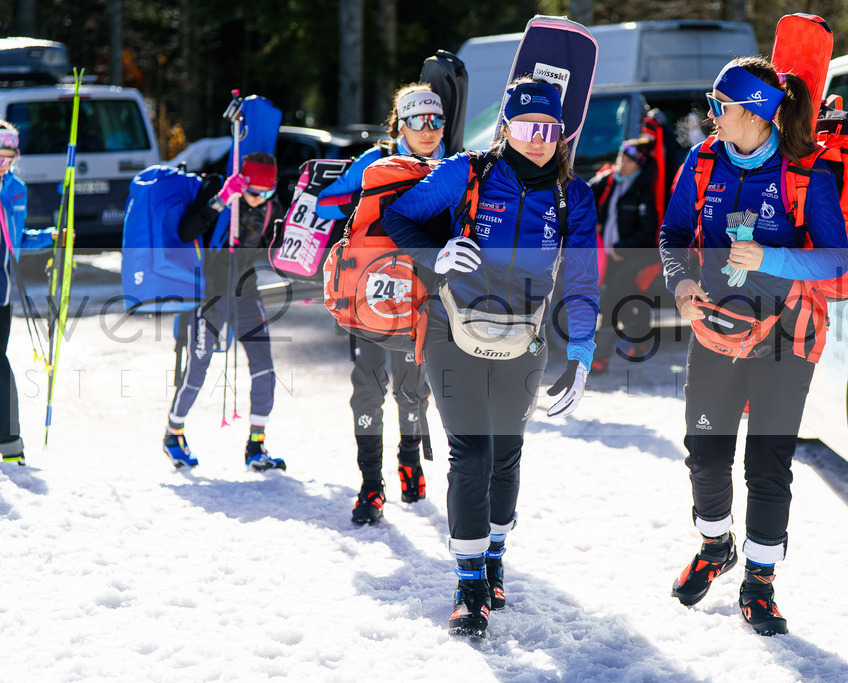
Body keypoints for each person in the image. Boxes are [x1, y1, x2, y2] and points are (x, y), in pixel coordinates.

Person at [382, 79, 599, 638]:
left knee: (506, 455)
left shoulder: (572, 194)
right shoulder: (467, 172)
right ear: (505, 128)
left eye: (549, 129)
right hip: (450, 328)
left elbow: (579, 277)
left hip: (523, 338)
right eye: (527, 128)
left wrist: (580, 352)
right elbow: (398, 217)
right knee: (470, 453)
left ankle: (494, 553)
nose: (538, 140)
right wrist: (437, 254)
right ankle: (469, 582)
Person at [659, 56, 848, 636]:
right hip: (717, 327)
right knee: (706, 453)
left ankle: (760, 584)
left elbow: (837, 257)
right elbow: (670, 237)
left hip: (787, 334)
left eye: (721, 106)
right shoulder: (702, 160)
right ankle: (716, 546)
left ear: (755, 112)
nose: (711, 115)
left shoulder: (803, 175)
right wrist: (680, 280)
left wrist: (772, 257)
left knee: (768, 464)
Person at [315, 84, 443, 525]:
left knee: (412, 390)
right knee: (367, 390)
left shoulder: (451, 166)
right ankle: (371, 485)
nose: (429, 129)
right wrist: (363, 208)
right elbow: (326, 202)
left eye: (436, 119)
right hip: (369, 296)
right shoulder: (375, 162)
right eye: (418, 120)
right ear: (401, 123)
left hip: (421, 300)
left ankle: (410, 458)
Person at [162, 151, 286, 472]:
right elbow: (186, 232)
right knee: (198, 366)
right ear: (242, 183)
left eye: (267, 193)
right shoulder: (221, 191)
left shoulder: (271, 205)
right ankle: (174, 433)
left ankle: (256, 445)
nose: (260, 200)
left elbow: (277, 249)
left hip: (247, 291)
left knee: (264, 366)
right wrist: (220, 200)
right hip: (208, 292)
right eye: (254, 193)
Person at [588, 137, 659, 372]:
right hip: (608, 258)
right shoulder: (608, 181)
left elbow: (648, 234)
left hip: (631, 258)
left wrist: (620, 249)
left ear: (639, 166)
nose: (624, 165)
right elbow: (584, 196)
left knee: (610, 305)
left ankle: (600, 359)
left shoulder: (642, 191)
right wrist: (595, 222)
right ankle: (642, 340)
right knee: (628, 303)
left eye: (630, 162)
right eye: (622, 159)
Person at [0, 121, 26, 465]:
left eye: (8, 157)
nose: (3, 163)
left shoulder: (16, 188)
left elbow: (13, 240)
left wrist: (52, 236)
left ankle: (9, 443)